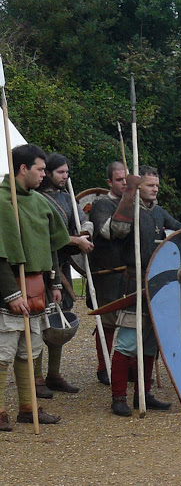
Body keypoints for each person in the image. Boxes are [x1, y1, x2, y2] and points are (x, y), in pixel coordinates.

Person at [1, 144, 71, 430]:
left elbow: (51, 246)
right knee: (3, 352)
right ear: (22, 169)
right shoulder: (3, 203)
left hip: (36, 289)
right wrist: (10, 293)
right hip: (9, 289)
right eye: (40, 169)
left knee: (28, 351)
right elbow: (0, 253)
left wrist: (53, 282)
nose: (44, 174)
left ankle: (28, 408)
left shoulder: (40, 202)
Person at [109, 166, 181, 416]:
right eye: (150, 185)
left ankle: (144, 393)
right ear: (139, 186)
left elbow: (178, 231)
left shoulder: (159, 212)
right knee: (128, 342)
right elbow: (117, 231)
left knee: (151, 342)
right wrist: (128, 194)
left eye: (157, 185)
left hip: (158, 285)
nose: (155, 189)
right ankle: (118, 397)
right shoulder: (129, 209)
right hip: (134, 281)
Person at [34, 153, 94, 396]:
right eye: (60, 172)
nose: (65, 176)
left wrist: (85, 231)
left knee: (60, 317)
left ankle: (54, 374)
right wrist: (76, 240)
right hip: (42, 265)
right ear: (48, 173)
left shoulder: (67, 197)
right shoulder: (36, 198)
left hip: (62, 264)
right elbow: (47, 236)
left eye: (67, 172)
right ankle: (36, 378)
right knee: (40, 319)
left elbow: (82, 220)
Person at [88, 161, 128, 385]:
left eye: (127, 179)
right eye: (120, 180)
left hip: (131, 273)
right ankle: (104, 366)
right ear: (110, 182)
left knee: (131, 321)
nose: (124, 183)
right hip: (107, 273)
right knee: (108, 322)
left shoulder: (137, 203)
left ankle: (129, 366)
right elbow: (109, 232)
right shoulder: (102, 205)